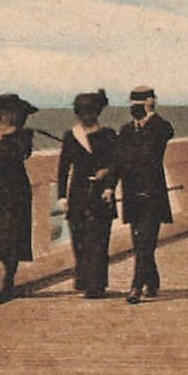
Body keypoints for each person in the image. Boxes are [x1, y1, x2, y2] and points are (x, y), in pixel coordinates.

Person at [57, 89, 118, 298]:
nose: (87, 116)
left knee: (98, 239)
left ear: (98, 112)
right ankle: (83, 278)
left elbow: (116, 164)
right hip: (78, 194)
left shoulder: (108, 135)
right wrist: (62, 197)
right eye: (83, 112)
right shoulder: (71, 136)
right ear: (77, 113)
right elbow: (63, 168)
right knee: (79, 239)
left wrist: (108, 181)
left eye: (91, 111)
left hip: (101, 194)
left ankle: (96, 284)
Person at [117, 84, 175, 304]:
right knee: (139, 241)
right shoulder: (125, 131)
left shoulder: (159, 128)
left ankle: (135, 287)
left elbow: (167, 132)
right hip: (132, 195)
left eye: (140, 106)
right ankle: (151, 279)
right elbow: (118, 161)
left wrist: (152, 114)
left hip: (153, 195)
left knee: (146, 241)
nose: (135, 110)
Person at [0, 93, 38, 298]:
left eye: (15, 112)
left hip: (16, 186)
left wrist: (4, 142)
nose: (11, 116)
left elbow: (20, 155)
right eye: (7, 112)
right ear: (0, 113)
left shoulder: (24, 134)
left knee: (13, 232)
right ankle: (5, 274)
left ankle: (9, 280)